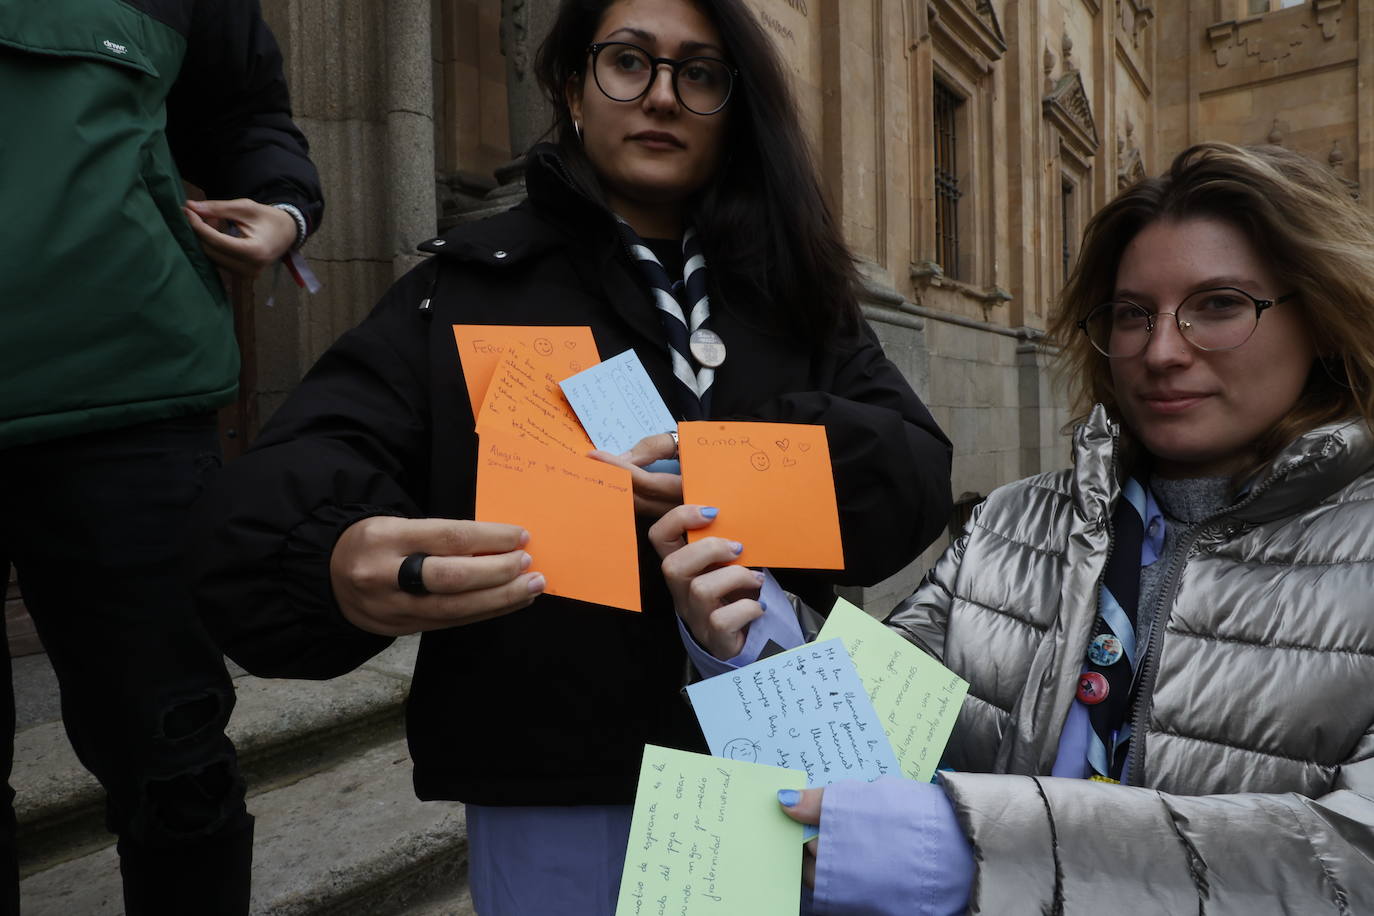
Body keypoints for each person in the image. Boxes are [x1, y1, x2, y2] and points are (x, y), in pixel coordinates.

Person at [190, 0, 952, 912]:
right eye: (629, 62)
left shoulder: (797, 296)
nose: (663, 96)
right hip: (551, 777)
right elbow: (300, 466)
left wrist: (717, 468)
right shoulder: (464, 288)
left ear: (733, 107)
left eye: (699, 73)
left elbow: (910, 473)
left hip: (767, 757)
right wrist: (327, 553)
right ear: (572, 90)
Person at [660, 141, 1374, 912]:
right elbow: (876, 729)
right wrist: (752, 639)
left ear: (1324, 316)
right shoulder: (1010, 522)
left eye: (1221, 304)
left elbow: (1349, 858)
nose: (1161, 351)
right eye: (1132, 313)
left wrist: (973, 853)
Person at [0, 1, 322, 913]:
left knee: (174, 758)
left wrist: (286, 209)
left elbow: (244, 112)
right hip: (132, 388)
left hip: (128, 402)